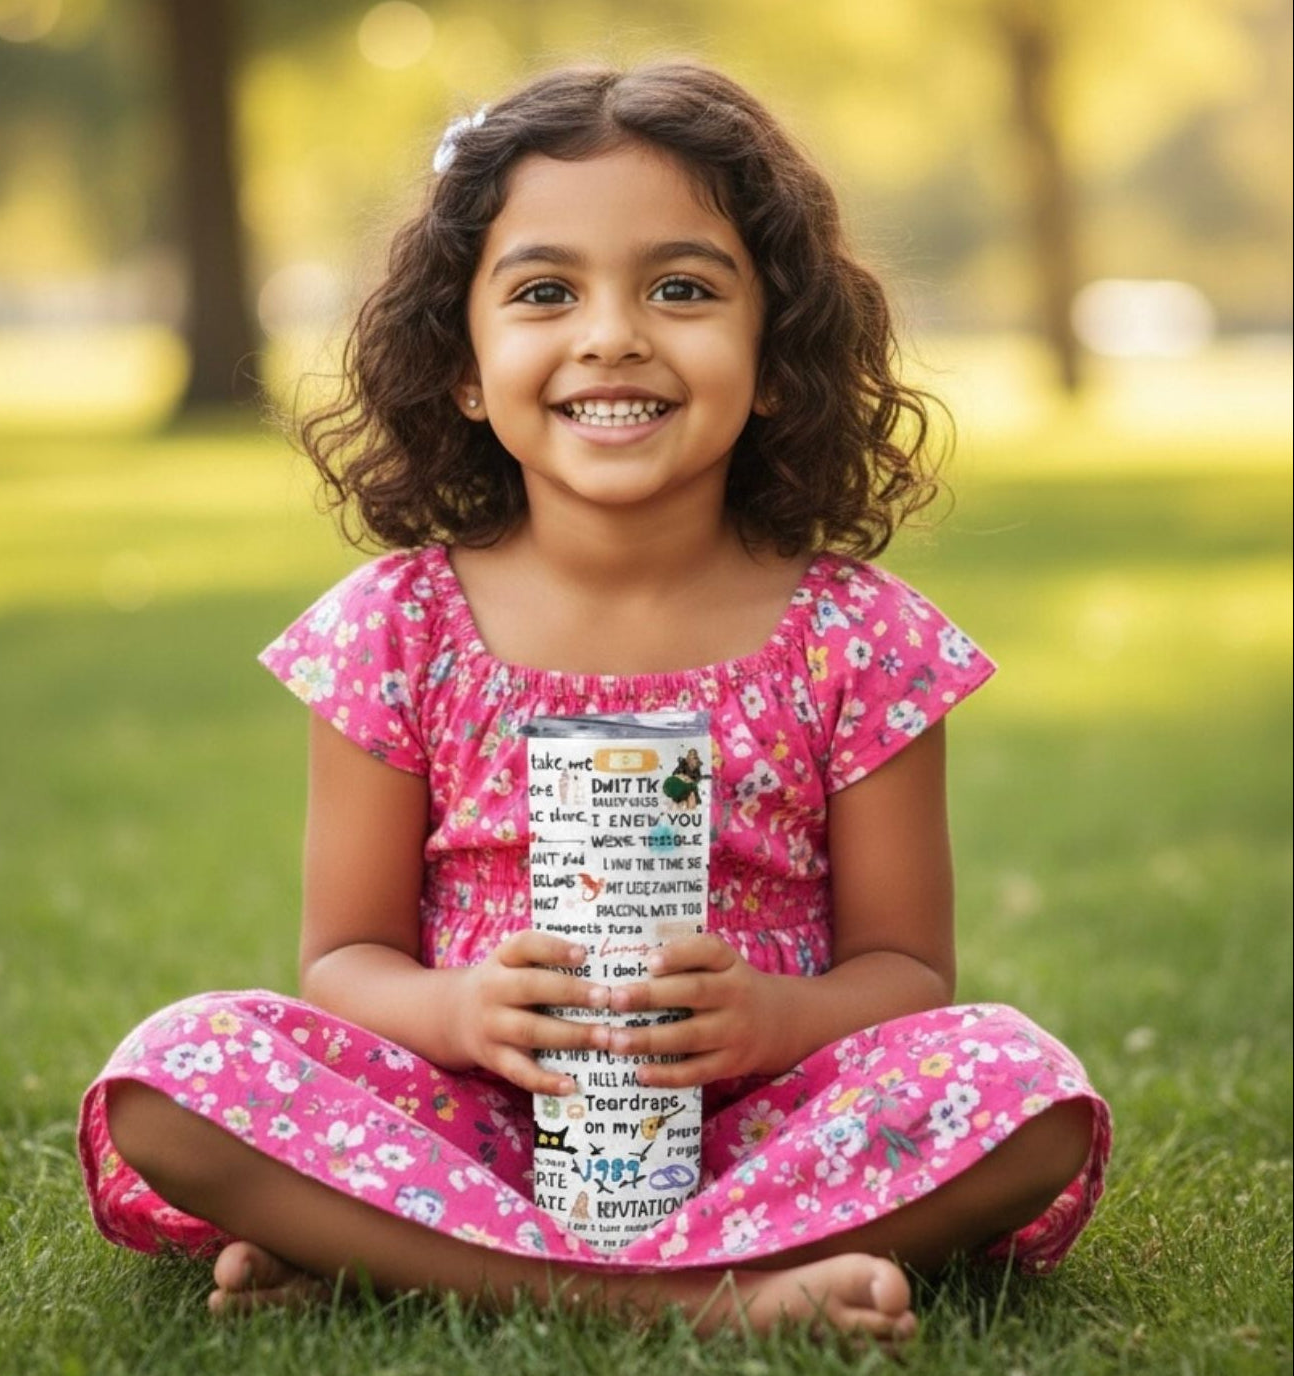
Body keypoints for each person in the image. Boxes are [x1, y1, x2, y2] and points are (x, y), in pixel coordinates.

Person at [80, 61, 1110, 1342]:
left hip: (753, 1124)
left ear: (775, 355)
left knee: (1028, 1088)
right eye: (544, 291)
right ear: (462, 363)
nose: (611, 333)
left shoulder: (855, 636)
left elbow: (908, 971)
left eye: (680, 289)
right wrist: (455, 1010)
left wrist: (774, 1018)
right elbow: (340, 961)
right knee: (173, 1072)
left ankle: (390, 1252)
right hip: (465, 1116)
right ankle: (700, 1301)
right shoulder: (401, 625)